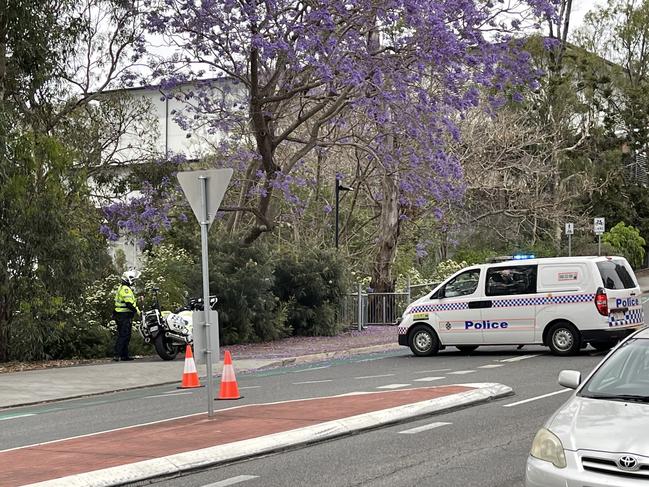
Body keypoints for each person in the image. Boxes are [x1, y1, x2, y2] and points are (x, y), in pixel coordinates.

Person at [113, 270, 141, 361]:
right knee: (124, 335)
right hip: (123, 315)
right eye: (132, 279)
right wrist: (137, 312)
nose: (133, 281)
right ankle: (117, 355)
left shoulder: (122, 287)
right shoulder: (126, 289)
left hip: (121, 314)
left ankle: (124, 355)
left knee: (126, 335)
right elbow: (129, 303)